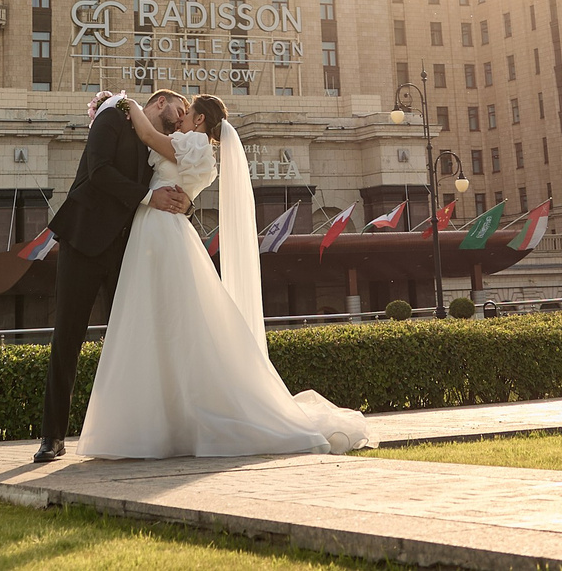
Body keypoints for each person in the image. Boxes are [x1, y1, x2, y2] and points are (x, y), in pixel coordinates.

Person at [72, 92, 374, 459]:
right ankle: (168, 419)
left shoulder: (192, 143)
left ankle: (165, 422)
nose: (180, 118)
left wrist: (123, 102)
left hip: (160, 232)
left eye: (187, 113)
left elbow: (150, 139)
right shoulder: (204, 156)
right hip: (161, 230)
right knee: (171, 324)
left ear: (199, 121)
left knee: (160, 319)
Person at [34, 89, 191, 463]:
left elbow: (172, 183)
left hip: (128, 250)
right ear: (157, 102)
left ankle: (133, 433)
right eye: (178, 107)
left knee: (132, 340)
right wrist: (148, 198)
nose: (182, 115)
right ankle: (52, 437)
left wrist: (186, 201)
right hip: (84, 242)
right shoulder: (111, 116)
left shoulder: (161, 145)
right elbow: (99, 170)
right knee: (67, 337)